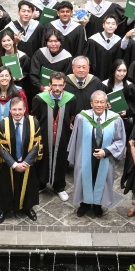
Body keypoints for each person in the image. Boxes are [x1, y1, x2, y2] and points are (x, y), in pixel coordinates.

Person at [0, 96, 41, 222]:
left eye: (20, 109)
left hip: (27, 163)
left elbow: (37, 145)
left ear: (25, 109)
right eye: (14, 109)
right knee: (5, 187)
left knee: (28, 186)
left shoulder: (33, 123)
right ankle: (4, 210)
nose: (17, 112)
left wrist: (25, 162)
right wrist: (14, 164)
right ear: (10, 110)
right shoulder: (2, 124)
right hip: (8, 165)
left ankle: (28, 208)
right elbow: (0, 148)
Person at [29, 72, 75, 201]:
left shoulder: (71, 99)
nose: (57, 88)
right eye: (54, 85)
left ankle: (59, 186)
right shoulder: (39, 99)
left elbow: (71, 117)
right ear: (49, 85)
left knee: (61, 160)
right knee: (41, 160)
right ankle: (40, 184)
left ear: (64, 85)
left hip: (62, 137)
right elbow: (35, 118)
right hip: (43, 137)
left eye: (60, 85)